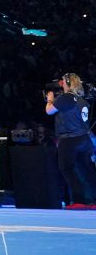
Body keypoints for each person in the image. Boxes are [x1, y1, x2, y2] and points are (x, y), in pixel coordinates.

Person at [45, 73, 96, 209]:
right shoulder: (82, 100)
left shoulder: (66, 97)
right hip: (83, 139)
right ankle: (93, 200)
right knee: (87, 171)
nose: (61, 84)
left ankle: (80, 200)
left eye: (63, 81)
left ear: (67, 82)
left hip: (70, 140)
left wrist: (50, 100)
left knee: (66, 169)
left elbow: (49, 111)